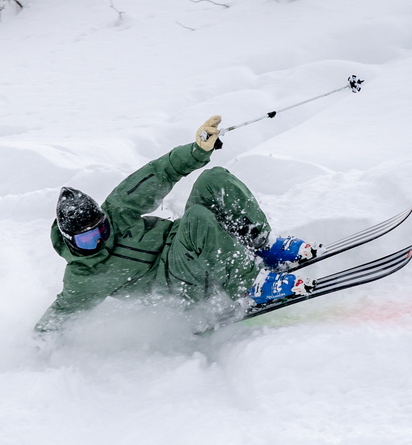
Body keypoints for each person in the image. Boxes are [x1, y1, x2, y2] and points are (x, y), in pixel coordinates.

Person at [35, 116, 315, 334]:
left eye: (101, 230)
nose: (98, 240)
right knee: (196, 220)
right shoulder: (84, 278)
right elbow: (59, 315)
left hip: (187, 246)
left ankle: (262, 246)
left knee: (213, 179)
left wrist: (197, 150)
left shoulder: (117, 210)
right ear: (71, 241)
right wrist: (35, 349)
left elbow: (159, 172)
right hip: (178, 285)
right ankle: (250, 286)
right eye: (87, 240)